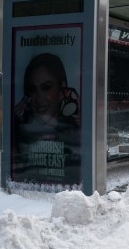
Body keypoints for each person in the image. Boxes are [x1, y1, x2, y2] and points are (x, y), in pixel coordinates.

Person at [13, 53, 81, 187]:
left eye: (46, 87)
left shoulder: (76, 131)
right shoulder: (21, 131)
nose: (39, 99)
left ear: (63, 89)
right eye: (33, 90)